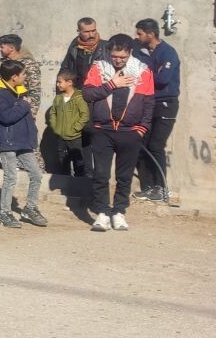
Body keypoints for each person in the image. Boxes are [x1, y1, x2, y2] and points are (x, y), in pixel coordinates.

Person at [83, 34, 155, 232]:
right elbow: (88, 94)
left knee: (124, 176)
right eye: (114, 56)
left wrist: (142, 128)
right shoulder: (98, 67)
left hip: (130, 132)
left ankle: (119, 212)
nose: (117, 61)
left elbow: (149, 102)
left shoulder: (142, 71)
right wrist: (111, 85)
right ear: (109, 52)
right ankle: (103, 213)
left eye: (122, 57)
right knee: (101, 174)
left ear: (130, 53)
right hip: (102, 130)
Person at [0, 60, 47, 228]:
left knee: (36, 174)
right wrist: (24, 103)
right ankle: (5, 212)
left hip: (23, 141)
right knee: (10, 177)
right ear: (14, 77)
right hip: (8, 142)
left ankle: (30, 208)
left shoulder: (18, 91)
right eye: (23, 74)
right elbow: (6, 117)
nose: (25, 77)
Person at [132, 18, 180, 202]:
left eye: (140, 33)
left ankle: (161, 188)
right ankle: (148, 187)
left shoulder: (168, 52)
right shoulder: (139, 51)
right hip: (146, 102)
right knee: (142, 144)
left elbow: (163, 79)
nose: (137, 37)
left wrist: (143, 74)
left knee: (156, 145)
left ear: (150, 34)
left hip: (165, 103)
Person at [46, 70, 90, 177]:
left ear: (69, 82)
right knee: (63, 160)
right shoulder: (58, 98)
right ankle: (65, 183)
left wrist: (75, 129)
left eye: (59, 82)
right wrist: (56, 127)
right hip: (61, 137)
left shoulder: (79, 98)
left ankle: (78, 184)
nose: (57, 84)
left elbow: (85, 116)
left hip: (75, 137)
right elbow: (53, 113)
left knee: (78, 161)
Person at [59, 17, 108, 88]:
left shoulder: (106, 47)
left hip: (98, 93)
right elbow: (65, 70)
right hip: (78, 92)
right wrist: (60, 93)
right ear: (78, 31)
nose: (91, 35)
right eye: (87, 32)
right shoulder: (74, 47)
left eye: (93, 30)